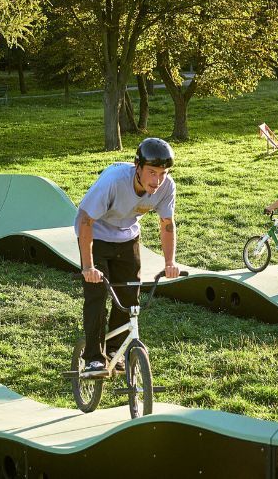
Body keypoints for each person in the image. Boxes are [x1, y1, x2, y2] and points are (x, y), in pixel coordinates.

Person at [76, 137, 180, 377]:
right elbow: (86, 221)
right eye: (152, 172)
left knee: (129, 297)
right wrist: (88, 266)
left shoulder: (167, 187)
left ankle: (115, 350)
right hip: (96, 233)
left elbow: (167, 223)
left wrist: (170, 263)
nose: (157, 181)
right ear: (137, 167)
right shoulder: (113, 182)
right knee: (97, 294)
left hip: (127, 236)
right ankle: (93, 358)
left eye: (163, 173)